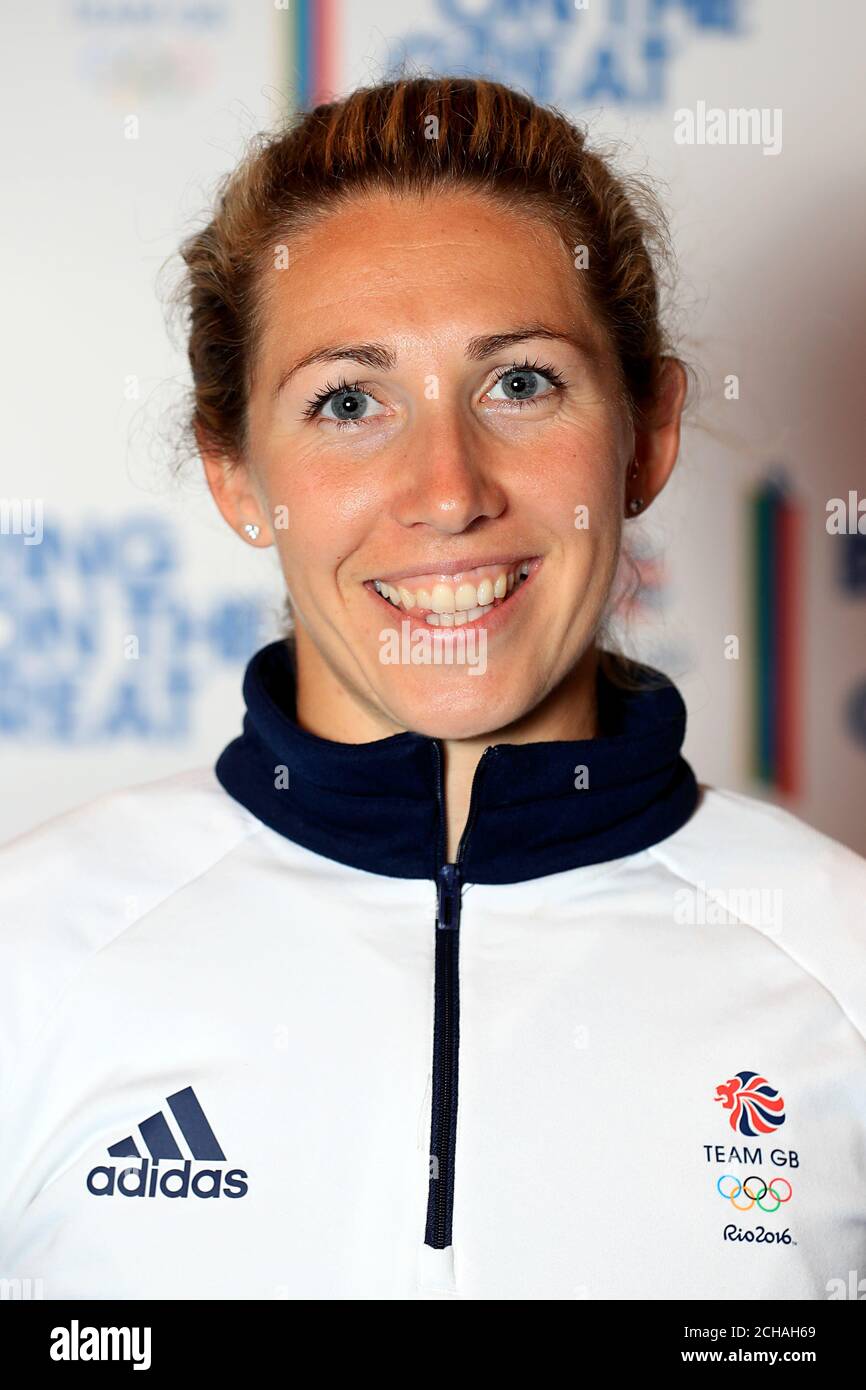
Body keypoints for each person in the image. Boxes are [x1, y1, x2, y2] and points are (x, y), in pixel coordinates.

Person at [1, 75, 864, 1302]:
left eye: (520, 382)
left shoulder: (842, 962)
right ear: (236, 473)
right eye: (347, 401)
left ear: (648, 434)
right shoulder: (30, 956)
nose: (447, 489)